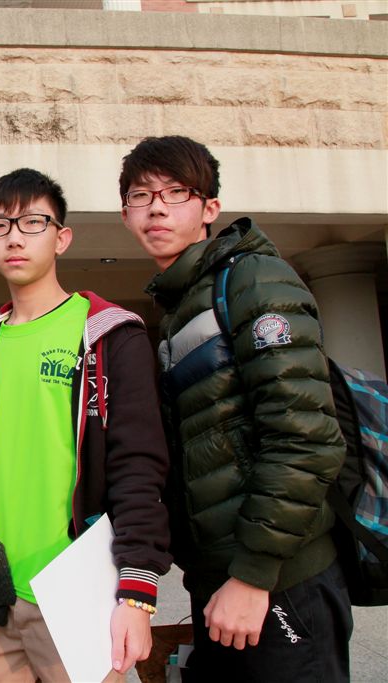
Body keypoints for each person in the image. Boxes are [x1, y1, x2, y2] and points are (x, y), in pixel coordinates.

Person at [118, 135, 352, 681]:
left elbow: (306, 437)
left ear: (210, 208)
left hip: (278, 581)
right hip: (221, 580)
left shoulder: (252, 280)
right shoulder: (180, 305)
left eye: (176, 192)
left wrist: (252, 575)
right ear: (125, 214)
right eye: (141, 195)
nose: (156, 207)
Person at [0, 168, 171, 682]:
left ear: (62, 238)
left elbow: (139, 465)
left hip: (79, 591)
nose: (15, 237)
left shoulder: (108, 335)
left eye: (33, 222)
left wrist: (137, 594)